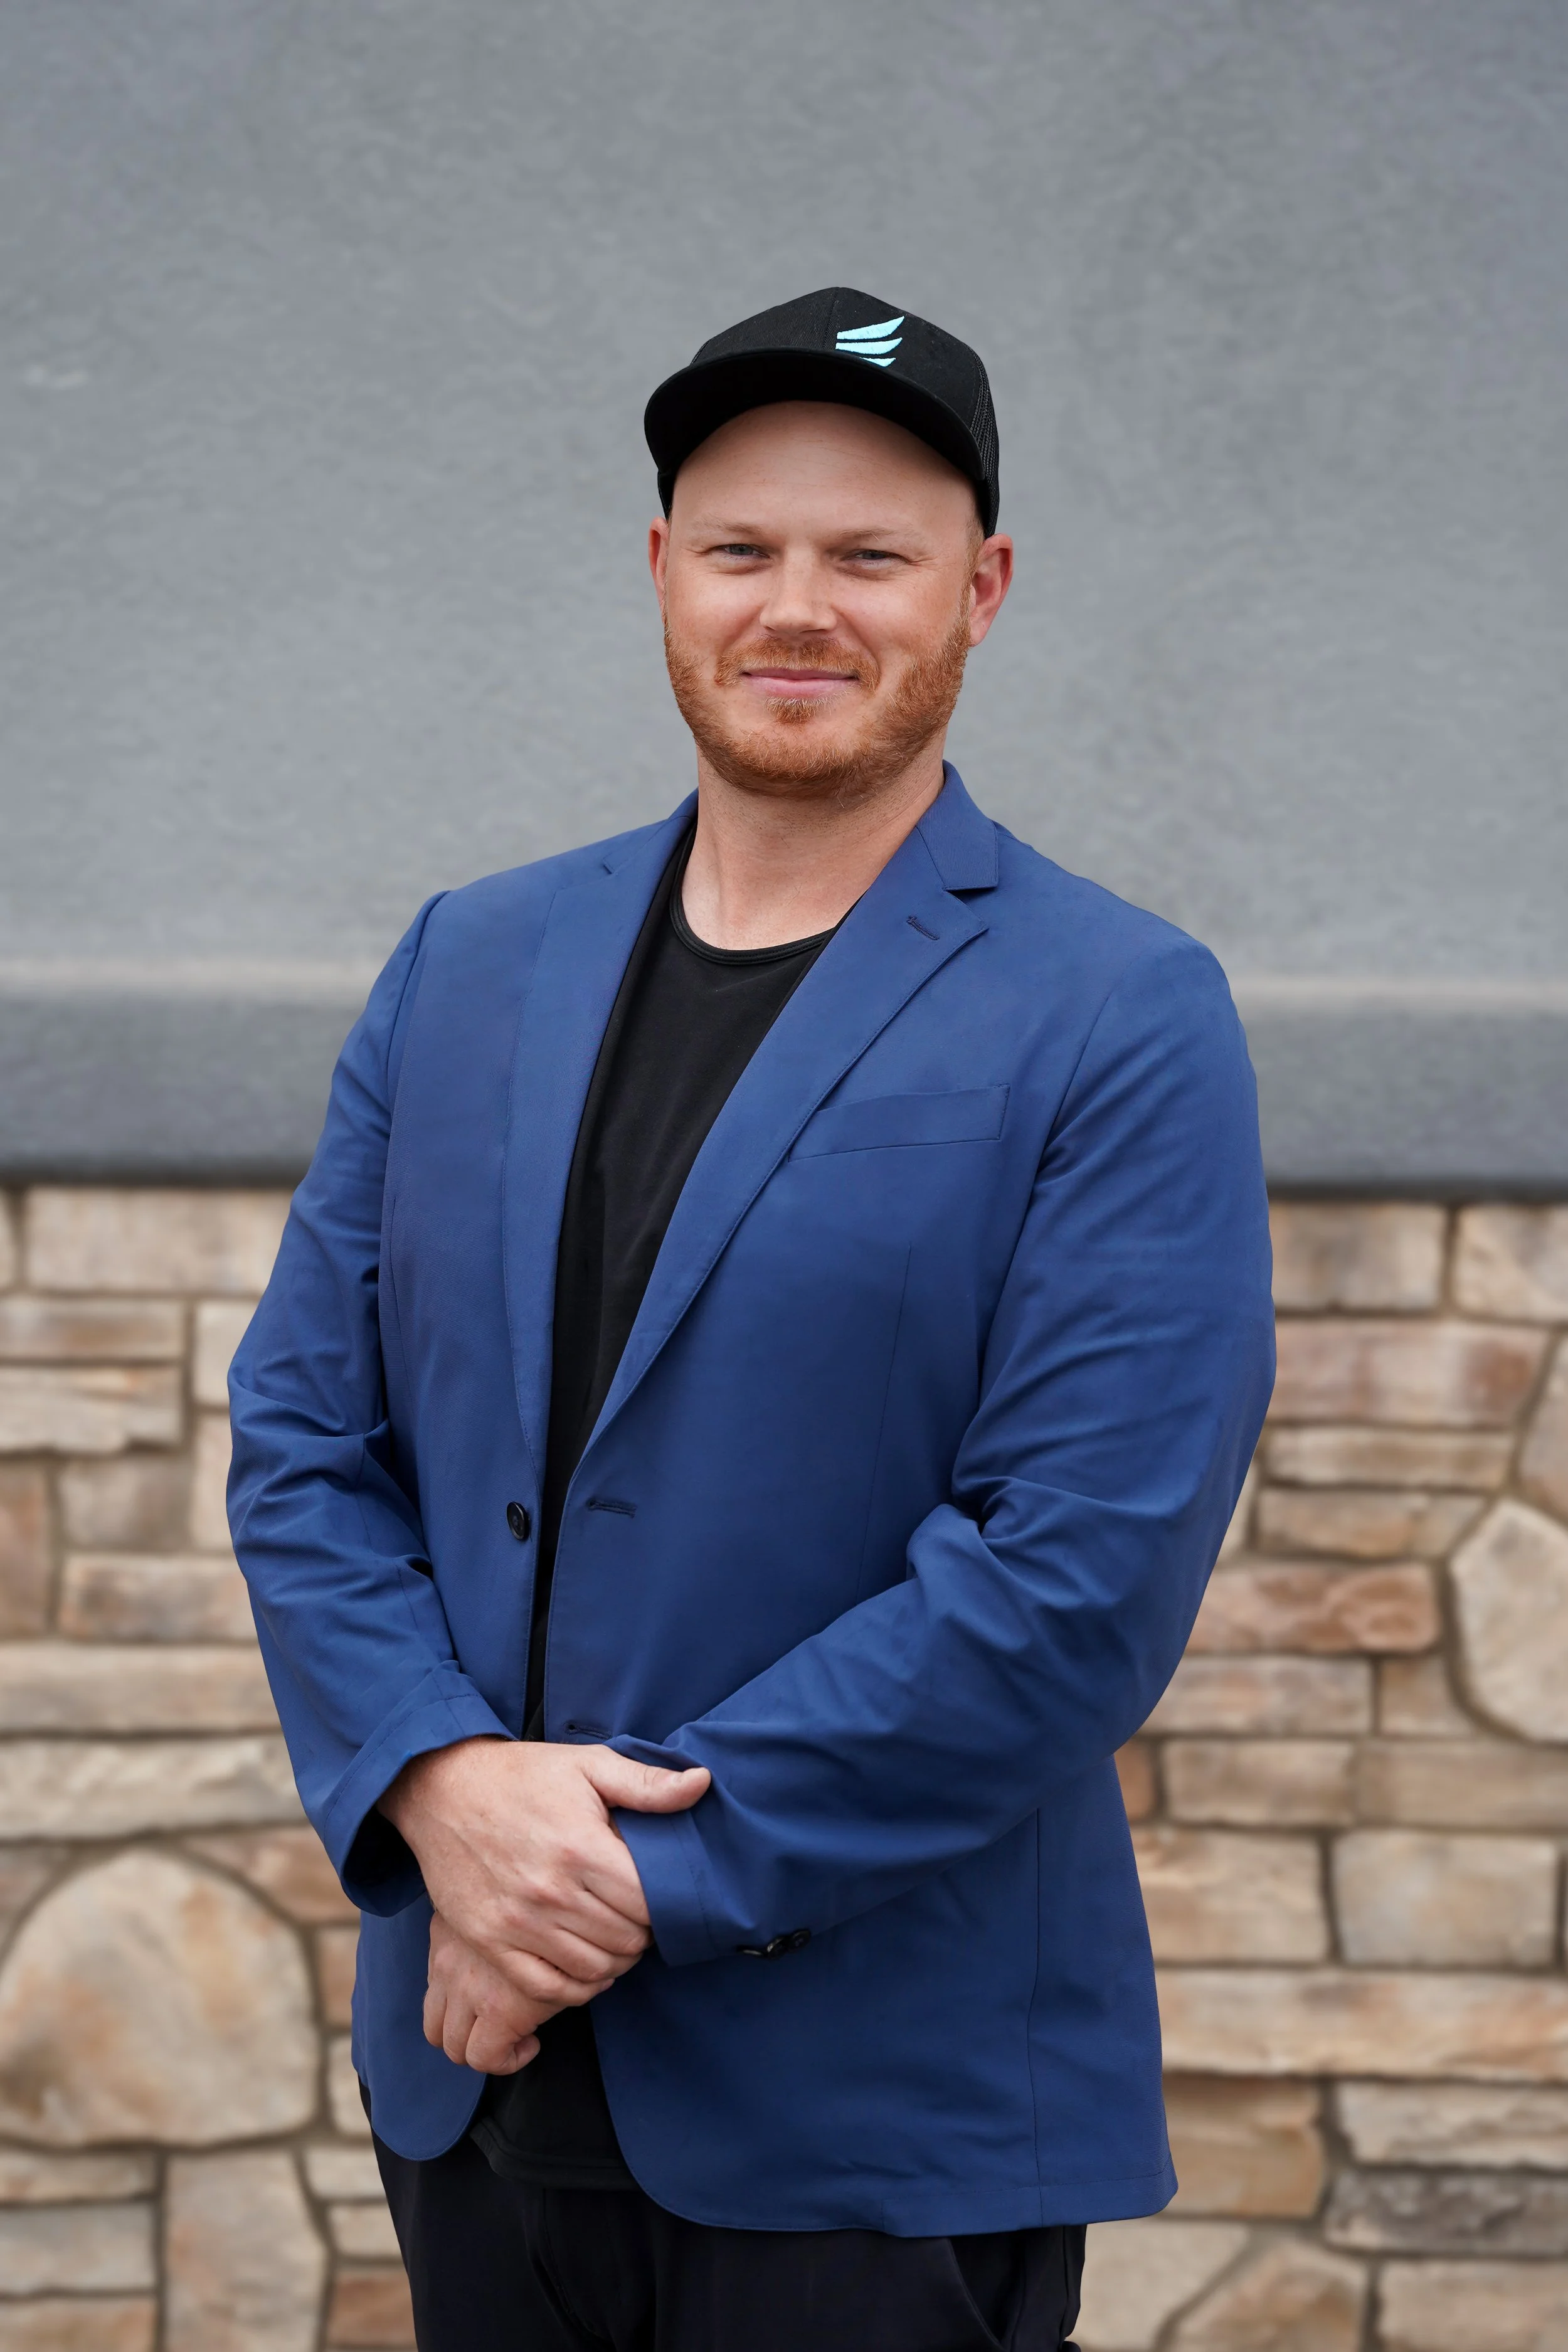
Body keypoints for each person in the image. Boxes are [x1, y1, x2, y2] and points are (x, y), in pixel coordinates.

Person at [229, 287, 1275, 2352]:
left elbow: (1067, 1578)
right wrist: (440, 1780)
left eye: (868, 557)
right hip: (476, 2101)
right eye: (742, 549)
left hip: (876, 2123)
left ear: (977, 590)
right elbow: (305, 1440)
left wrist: (601, 1886)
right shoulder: (470, 960)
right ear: (661, 575)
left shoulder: (1116, 1012)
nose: (797, 608)